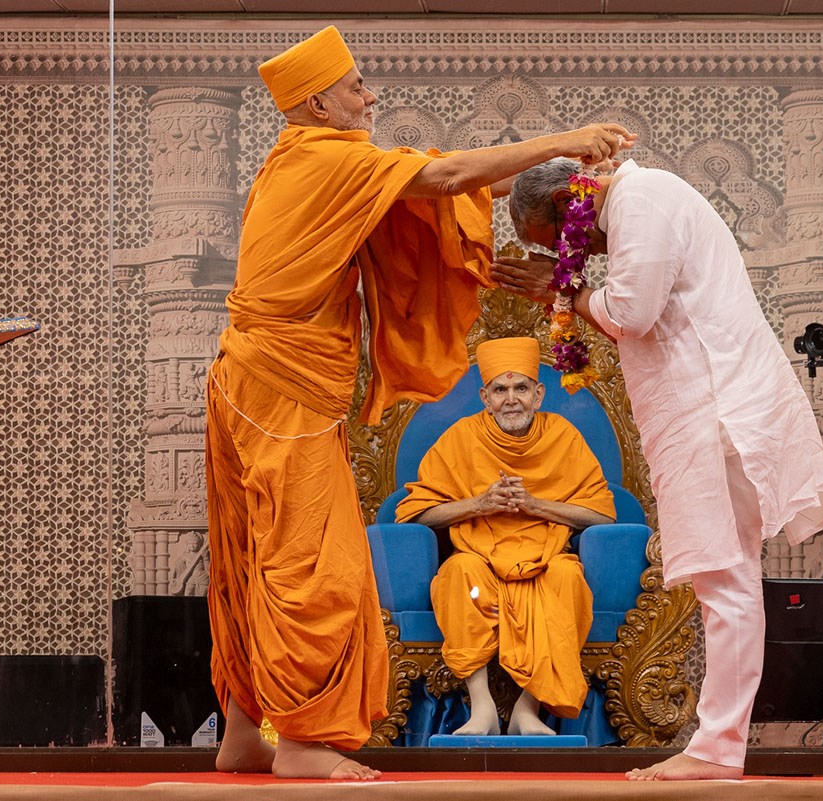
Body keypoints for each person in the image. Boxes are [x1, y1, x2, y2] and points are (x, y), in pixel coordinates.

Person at [205, 25, 634, 780]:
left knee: (257, 558)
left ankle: (243, 733)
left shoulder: (306, 160)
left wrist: (557, 169)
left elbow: (451, 184)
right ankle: (302, 741)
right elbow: (447, 177)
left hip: (260, 385)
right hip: (282, 391)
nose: (369, 96)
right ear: (319, 105)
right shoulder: (328, 158)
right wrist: (568, 138)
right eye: (356, 87)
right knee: (317, 566)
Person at [493, 158, 823, 780]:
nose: (574, 255)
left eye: (560, 241)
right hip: (708, 413)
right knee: (726, 581)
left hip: (715, 412)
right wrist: (568, 291)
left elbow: (631, 314)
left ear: (569, 204)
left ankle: (716, 749)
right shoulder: (636, 201)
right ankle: (719, 745)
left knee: (725, 581)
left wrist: (560, 290)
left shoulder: (640, 198)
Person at [395, 336, 615, 737]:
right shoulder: (461, 438)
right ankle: (482, 708)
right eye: (500, 390)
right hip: (480, 560)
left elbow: (601, 513)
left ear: (538, 394)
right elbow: (415, 512)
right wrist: (480, 504)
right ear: (485, 397)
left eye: (521, 388)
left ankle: (527, 708)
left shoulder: (562, 436)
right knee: (458, 573)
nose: (511, 399)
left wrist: (534, 505)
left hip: (545, 559)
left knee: (568, 577)